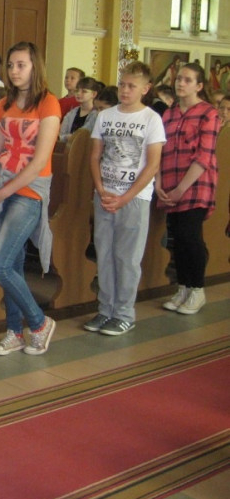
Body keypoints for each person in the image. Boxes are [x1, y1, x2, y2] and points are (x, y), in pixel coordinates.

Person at [0, 41, 60, 357]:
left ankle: (38, 322)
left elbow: (39, 162)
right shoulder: (4, 103)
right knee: (14, 265)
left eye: (21, 65)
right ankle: (14, 332)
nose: (14, 71)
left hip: (30, 190)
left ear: (35, 67)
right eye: (10, 65)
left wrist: (1, 193)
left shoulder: (48, 103)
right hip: (2, 181)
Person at [85, 62, 165, 335]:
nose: (125, 90)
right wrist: (100, 189)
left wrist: (125, 197)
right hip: (105, 195)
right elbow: (95, 156)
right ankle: (105, 309)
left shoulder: (151, 119)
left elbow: (152, 164)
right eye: (122, 84)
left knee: (127, 258)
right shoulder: (105, 116)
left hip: (134, 198)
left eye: (132, 86)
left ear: (145, 88)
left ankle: (124, 313)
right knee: (105, 254)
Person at [156, 63, 220, 315]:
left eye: (187, 80)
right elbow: (159, 149)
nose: (180, 83)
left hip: (195, 183)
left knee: (190, 236)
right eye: (179, 79)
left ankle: (197, 289)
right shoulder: (169, 114)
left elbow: (204, 156)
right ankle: (182, 287)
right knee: (177, 239)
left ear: (199, 86)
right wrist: (159, 182)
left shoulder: (208, 113)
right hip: (170, 182)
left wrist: (181, 189)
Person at [59, 76, 100, 141]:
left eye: (84, 91)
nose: (78, 93)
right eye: (77, 90)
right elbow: (61, 135)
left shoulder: (97, 114)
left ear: (94, 94)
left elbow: (84, 134)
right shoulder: (71, 113)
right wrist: (67, 137)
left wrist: (72, 137)